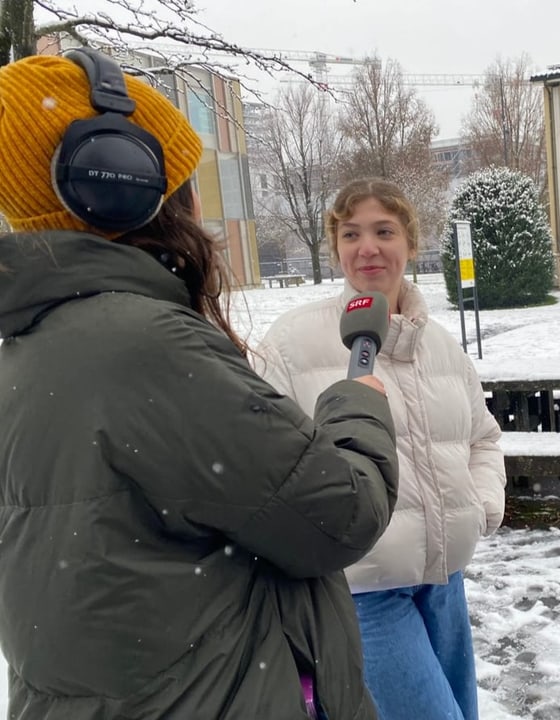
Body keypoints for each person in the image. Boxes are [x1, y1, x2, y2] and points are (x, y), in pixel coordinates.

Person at [0, 50, 399, 720]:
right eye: (185, 181)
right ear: (118, 182)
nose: (201, 211)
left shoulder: (34, 346)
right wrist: (358, 406)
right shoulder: (141, 349)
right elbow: (337, 516)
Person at [258, 177, 506, 720]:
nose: (367, 247)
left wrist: (481, 504)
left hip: (444, 584)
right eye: (351, 233)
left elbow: (483, 439)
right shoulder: (292, 343)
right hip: (362, 592)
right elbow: (266, 463)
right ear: (336, 247)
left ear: (411, 245)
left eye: (383, 231)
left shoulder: (441, 346)